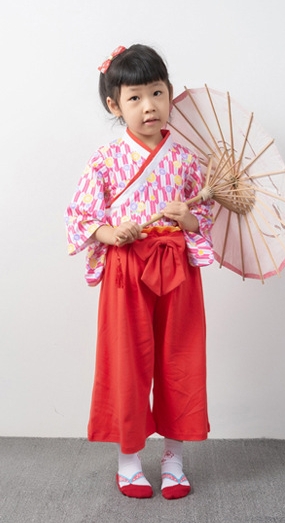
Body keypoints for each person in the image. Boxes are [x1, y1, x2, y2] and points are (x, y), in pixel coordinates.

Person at [65, 44, 214, 500]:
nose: (148, 106)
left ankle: (174, 457)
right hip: (127, 270)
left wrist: (186, 218)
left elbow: (204, 218)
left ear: (170, 93)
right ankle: (128, 459)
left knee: (180, 361)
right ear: (115, 105)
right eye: (134, 97)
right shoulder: (106, 159)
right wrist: (112, 234)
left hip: (176, 269)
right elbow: (80, 215)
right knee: (126, 362)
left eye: (156, 92)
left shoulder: (187, 159)